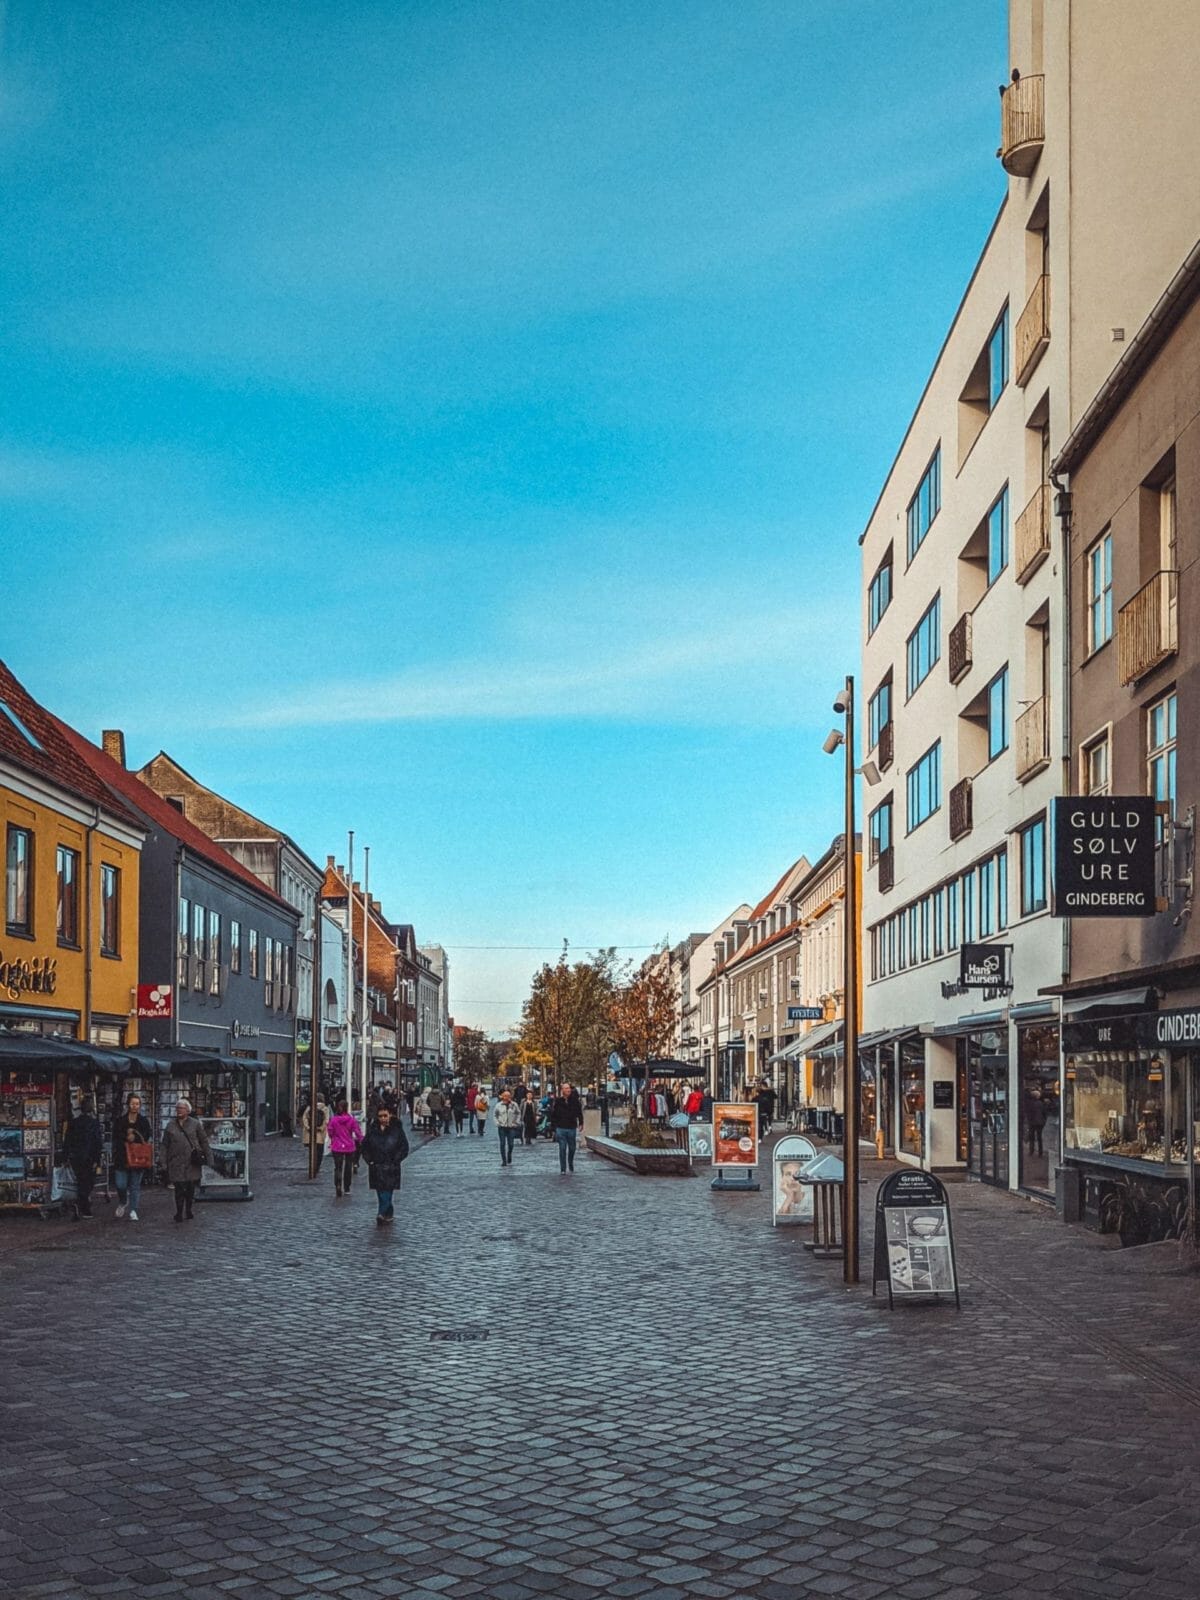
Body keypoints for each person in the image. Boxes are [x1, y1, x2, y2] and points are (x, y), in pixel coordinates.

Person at [359, 1103, 410, 1226]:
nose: (383, 1119)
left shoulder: (397, 1130)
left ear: (390, 1115)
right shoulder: (372, 1130)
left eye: (385, 1116)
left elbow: (404, 1147)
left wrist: (396, 1159)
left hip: (391, 1166)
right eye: (380, 1116)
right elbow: (364, 1146)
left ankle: (381, 1213)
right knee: (380, 1192)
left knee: (387, 1191)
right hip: (376, 1165)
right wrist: (369, 1160)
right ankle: (388, 1212)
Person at [162, 1098, 211, 1223]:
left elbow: (204, 1141)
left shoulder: (195, 1124)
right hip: (176, 1162)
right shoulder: (170, 1125)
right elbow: (164, 1145)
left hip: (191, 1162)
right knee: (178, 1188)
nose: (179, 1110)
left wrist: (209, 1157)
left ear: (188, 1110)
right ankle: (179, 1212)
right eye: (177, 1108)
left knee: (189, 1188)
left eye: (182, 1108)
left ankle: (188, 1210)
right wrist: (163, 1161)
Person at [112, 1091, 152, 1222]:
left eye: (137, 1104)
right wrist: (126, 1137)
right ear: (128, 1105)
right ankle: (123, 1200)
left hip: (137, 1157)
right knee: (120, 1184)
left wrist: (136, 1137)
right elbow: (115, 1137)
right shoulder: (120, 1121)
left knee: (135, 1185)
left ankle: (134, 1210)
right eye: (133, 1104)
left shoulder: (143, 1121)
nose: (135, 1106)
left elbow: (147, 1135)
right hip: (122, 1157)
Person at [63, 1097, 103, 1220]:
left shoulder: (74, 1122)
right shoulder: (94, 1123)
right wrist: (97, 1159)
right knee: (87, 1182)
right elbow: (97, 1143)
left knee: (80, 1180)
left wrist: (66, 1156)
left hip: (76, 1157)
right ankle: (84, 1206)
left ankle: (80, 1203)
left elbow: (67, 1140)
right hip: (88, 1157)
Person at [327, 1098, 363, 1196]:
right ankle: (347, 1187)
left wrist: (334, 1137)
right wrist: (362, 1140)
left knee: (338, 1167)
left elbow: (330, 1131)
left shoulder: (334, 1120)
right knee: (348, 1167)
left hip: (337, 1145)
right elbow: (357, 1131)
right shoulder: (351, 1120)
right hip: (349, 1145)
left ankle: (338, 1184)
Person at [549, 1082, 584, 1174]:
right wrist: (553, 1128)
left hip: (571, 1127)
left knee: (572, 1148)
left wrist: (581, 1123)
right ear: (562, 1090)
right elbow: (553, 1115)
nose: (568, 1090)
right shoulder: (558, 1101)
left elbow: (579, 1112)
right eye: (566, 1088)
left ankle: (570, 1162)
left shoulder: (575, 1101)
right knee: (562, 1148)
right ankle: (563, 1168)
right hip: (561, 1128)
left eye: (569, 1088)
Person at [301, 1094, 330, 1173]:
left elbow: (304, 1119)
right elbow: (326, 1121)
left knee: (312, 1151)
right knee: (319, 1152)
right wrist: (320, 1128)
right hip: (320, 1135)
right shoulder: (325, 1108)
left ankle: (312, 1165)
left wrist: (309, 1127)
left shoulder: (309, 1107)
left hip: (310, 1134)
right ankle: (317, 1167)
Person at [495, 1090, 521, 1166]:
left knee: (511, 1144)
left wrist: (516, 1122)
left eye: (508, 1096)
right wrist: (497, 1123)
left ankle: (509, 1153)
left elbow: (518, 1113)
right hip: (502, 1127)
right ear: (503, 1097)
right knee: (502, 1144)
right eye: (505, 1096)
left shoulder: (514, 1105)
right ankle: (504, 1160)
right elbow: (495, 1115)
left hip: (511, 1127)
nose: (507, 1097)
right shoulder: (498, 1105)